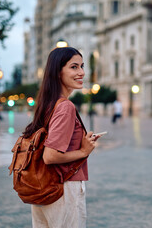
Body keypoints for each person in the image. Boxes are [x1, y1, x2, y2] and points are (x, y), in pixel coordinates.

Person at [22, 47, 100, 228]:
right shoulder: (65, 107)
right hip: (63, 188)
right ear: (58, 72)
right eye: (74, 67)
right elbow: (50, 155)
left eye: (82, 66)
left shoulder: (48, 103)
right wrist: (83, 151)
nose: (81, 72)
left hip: (44, 187)